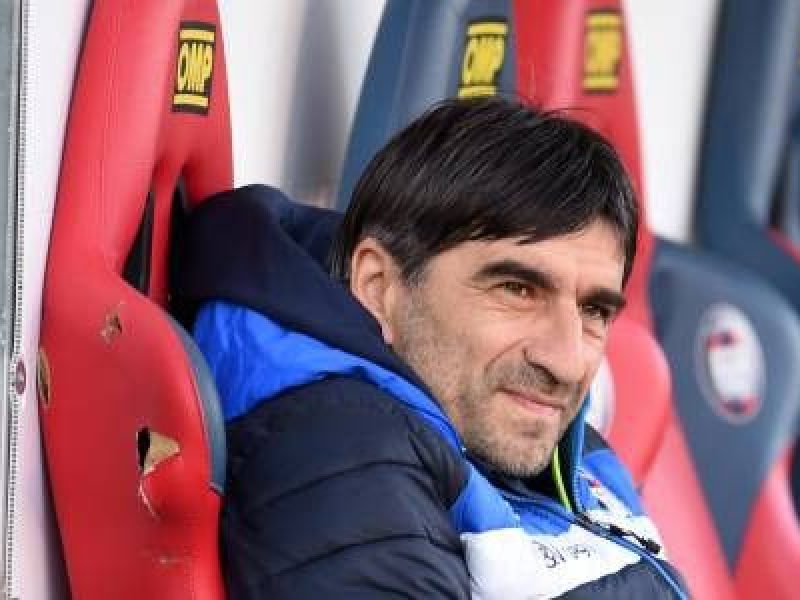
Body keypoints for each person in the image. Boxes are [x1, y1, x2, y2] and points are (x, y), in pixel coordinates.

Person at [175, 97, 688, 599]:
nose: (568, 362)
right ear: (378, 286)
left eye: (594, 310)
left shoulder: (550, 439)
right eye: (517, 289)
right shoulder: (345, 456)